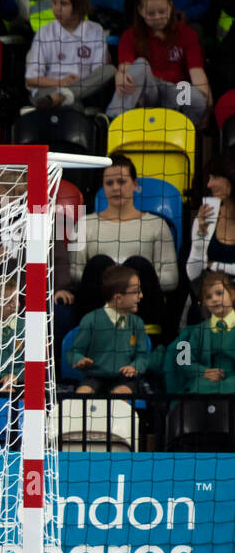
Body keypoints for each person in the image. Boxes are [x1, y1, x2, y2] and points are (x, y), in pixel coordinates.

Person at [70, 154, 178, 337]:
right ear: (103, 187)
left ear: (135, 185)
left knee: (139, 264)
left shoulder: (157, 225)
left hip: (141, 306)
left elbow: (171, 279)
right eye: (109, 183)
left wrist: (129, 282)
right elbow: (74, 274)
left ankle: (147, 340)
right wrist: (112, 280)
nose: (115, 188)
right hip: (98, 305)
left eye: (121, 182)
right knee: (98, 263)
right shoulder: (83, 224)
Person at [107, 0, 211, 127]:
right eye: (151, 14)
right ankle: (113, 120)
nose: (157, 17)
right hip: (147, 91)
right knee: (140, 65)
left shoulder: (187, 33)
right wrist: (121, 75)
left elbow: (197, 72)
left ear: (171, 7)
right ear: (140, 11)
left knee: (196, 97)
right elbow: (126, 68)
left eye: (162, 12)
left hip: (175, 92)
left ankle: (185, 133)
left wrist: (206, 103)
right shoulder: (130, 35)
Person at [23, 0, 114, 111]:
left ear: (79, 6)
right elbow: (31, 80)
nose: (57, 9)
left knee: (110, 70)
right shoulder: (44, 33)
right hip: (48, 91)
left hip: (85, 90)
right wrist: (60, 82)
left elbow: (98, 74)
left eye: (64, 4)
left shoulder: (95, 30)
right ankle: (64, 97)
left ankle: (64, 96)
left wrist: (73, 85)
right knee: (72, 105)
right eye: (54, 2)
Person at [68, 264, 150, 393]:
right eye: (136, 291)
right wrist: (79, 360)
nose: (141, 296)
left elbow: (143, 356)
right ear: (118, 298)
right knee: (83, 393)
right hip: (94, 377)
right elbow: (73, 352)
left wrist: (135, 366)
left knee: (120, 394)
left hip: (125, 380)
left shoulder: (137, 323)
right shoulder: (91, 320)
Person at [168, 270, 235, 393]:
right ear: (204, 303)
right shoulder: (198, 331)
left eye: (219, 293)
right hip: (206, 380)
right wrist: (203, 372)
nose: (214, 299)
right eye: (209, 297)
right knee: (199, 387)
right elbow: (183, 361)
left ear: (232, 294)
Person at [188, 156, 235, 286]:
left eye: (215, 178)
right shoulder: (208, 213)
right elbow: (193, 275)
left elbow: (207, 267)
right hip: (212, 294)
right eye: (209, 178)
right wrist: (200, 236)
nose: (209, 185)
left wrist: (213, 265)